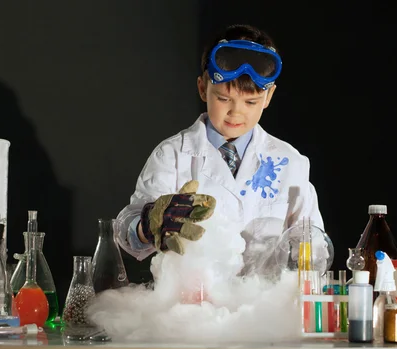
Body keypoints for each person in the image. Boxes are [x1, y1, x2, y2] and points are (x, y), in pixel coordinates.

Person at [115, 24, 324, 276]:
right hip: (190, 308)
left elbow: (315, 249)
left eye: (251, 102)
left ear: (268, 97)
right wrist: (148, 224)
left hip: (268, 310)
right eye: (223, 99)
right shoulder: (172, 155)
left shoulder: (291, 162)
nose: (236, 112)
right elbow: (127, 231)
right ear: (203, 88)